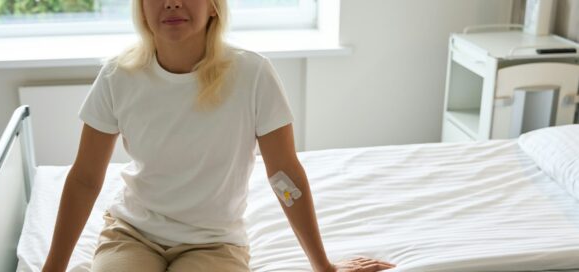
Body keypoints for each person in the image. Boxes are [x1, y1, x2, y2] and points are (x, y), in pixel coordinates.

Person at [42, 0, 396, 271]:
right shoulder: (117, 76)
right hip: (132, 232)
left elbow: (283, 175)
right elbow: (86, 179)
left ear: (214, 6)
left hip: (213, 243)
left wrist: (323, 266)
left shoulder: (252, 73)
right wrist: (52, 268)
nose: (172, 3)